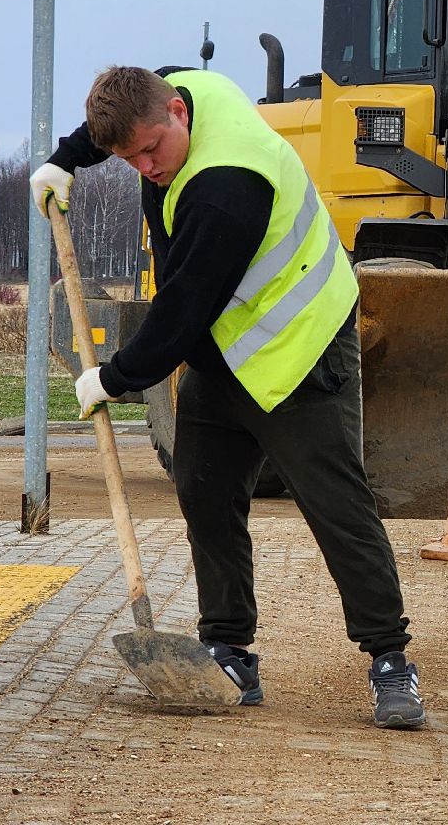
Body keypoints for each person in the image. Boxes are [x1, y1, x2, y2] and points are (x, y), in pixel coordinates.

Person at [28, 65, 427, 730]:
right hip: (228, 345)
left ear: (179, 114)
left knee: (336, 505)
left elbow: (181, 309)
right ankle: (230, 649)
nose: (146, 168)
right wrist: (68, 160)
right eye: (129, 159)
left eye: (151, 151)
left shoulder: (226, 186)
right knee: (204, 488)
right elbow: (123, 116)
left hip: (299, 348)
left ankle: (391, 659)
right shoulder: (172, 90)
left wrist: (116, 377)